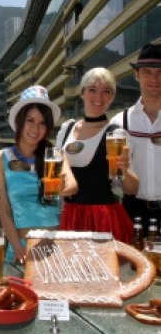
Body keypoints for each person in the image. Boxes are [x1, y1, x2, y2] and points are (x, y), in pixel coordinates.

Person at [57, 67, 139, 244]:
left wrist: (124, 169)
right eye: (92, 90)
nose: (98, 97)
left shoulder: (116, 135)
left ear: (112, 96)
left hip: (102, 218)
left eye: (106, 91)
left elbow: (132, 189)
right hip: (70, 216)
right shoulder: (66, 129)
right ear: (82, 92)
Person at [0, 85, 71, 264]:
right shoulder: (0, 158)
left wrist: (63, 186)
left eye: (42, 123)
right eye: (30, 120)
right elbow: (4, 211)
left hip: (53, 250)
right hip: (20, 250)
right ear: (19, 120)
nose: (35, 128)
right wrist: (19, 250)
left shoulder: (55, 156)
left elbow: (73, 186)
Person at [111, 43, 161, 237]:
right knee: (137, 267)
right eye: (147, 72)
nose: (154, 79)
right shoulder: (120, 122)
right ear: (137, 75)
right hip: (133, 212)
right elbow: (114, 178)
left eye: (159, 72)